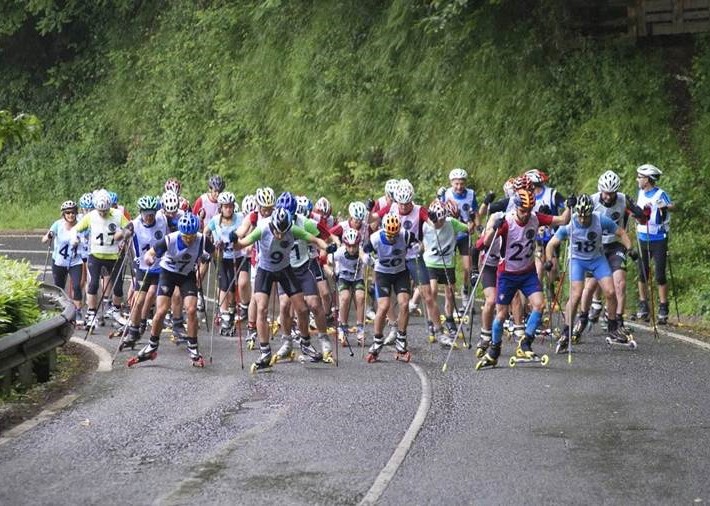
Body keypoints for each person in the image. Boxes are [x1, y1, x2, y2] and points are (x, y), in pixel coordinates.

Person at [475, 189, 572, 369]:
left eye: (529, 209)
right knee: (502, 314)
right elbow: (482, 244)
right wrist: (493, 228)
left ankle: (526, 342)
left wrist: (569, 205)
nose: (526, 214)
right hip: (507, 275)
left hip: (527, 272)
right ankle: (494, 351)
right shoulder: (507, 222)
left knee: (539, 305)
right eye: (523, 210)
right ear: (517, 207)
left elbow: (563, 220)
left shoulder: (535, 218)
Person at [231, 208, 335, 371]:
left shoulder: (292, 229)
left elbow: (315, 240)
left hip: (285, 270)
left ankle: (305, 343)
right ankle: (265, 351)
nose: (279, 236)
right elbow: (241, 245)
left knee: (301, 309)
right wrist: (234, 240)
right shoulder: (263, 228)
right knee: (262, 309)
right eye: (277, 232)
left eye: (283, 232)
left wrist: (328, 248)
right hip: (265, 270)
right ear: (272, 224)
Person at [545, 194, 637, 352]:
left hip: (596, 259)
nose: (583, 219)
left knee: (610, 291)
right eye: (580, 216)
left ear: (591, 213)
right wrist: (549, 259)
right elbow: (551, 244)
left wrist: (629, 248)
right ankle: (567, 331)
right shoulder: (571, 225)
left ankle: (613, 326)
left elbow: (621, 232)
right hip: (577, 261)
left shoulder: (600, 219)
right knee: (576, 295)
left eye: (586, 216)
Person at [128, 212, 213, 367]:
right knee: (161, 311)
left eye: (192, 236)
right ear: (181, 232)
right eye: (186, 236)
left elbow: (213, 253)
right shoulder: (170, 239)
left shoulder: (202, 240)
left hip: (187, 275)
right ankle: (152, 345)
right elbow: (150, 253)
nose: (189, 240)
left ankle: (193, 348)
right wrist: (149, 258)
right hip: (168, 273)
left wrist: (208, 256)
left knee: (192, 309)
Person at [578, 170, 646, 333]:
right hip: (597, 246)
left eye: (612, 193)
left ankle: (617, 321)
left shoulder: (623, 199)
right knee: (590, 286)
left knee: (620, 284)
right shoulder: (593, 200)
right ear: (601, 190)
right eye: (606, 193)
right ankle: (582, 318)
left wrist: (639, 214)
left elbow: (641, 218)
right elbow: (579, 219)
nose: (608, 197)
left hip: (616, 245)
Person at [69, 189, 130, 329]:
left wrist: (122, 235)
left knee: (118, 286)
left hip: (115, 255)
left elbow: (130, 227)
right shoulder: (91, 216)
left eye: (105, 211)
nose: (102, 214)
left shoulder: (117, 214)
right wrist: (74, 239)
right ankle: (91, 314)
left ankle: (115, 310)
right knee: (93, 284)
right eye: (100, 211)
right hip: (95, 255)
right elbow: (75, 229)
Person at [363, 213, 419, 363]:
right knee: (383, 306)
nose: (393, 238)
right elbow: (364, 250)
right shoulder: (375, 238)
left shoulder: (405, 235)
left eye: (395, 235)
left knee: (405, 304)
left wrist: (417, 247)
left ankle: (401, 340)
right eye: (390, 235)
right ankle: (377, 341)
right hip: (383, 274)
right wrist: (366, 258)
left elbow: (417, 242)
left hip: (401, 273)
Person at [118, 195, 168, 350]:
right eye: (146, 213)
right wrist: (124, 235)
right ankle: (133, 330)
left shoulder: (162, 220)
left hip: (159, 266)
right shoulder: (135, 224)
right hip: (142, 267)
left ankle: (144, 321)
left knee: (152, 293)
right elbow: (120, 235)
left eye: (152, 213)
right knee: (138, 300)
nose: (149, 217)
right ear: (140, 212)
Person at [422, 200, 469, 347]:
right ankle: (431, 322)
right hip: (430, 262)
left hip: (447, 263)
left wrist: (471, 222)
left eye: (443, 219)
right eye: (438, 219)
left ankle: (450, 320)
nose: (440, 222)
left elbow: (468, 229)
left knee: (450, 294)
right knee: (433, 291)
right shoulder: (426, 225)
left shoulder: (451, 222)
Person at [205, 191, 250, 336]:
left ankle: (244, 306)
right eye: (226, 207)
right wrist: (210, 245)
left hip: (239, 255)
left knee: (241, 283)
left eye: (230, 206)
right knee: (225, 285)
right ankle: (225, 315)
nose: (229, 209)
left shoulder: (240, 218)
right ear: (221, 207)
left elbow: (249, 228)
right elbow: (205, 232)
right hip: (222, 257)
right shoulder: (215, 220)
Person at [634, 164, 674, 324]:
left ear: (648, 179)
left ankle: (663, 306)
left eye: (640, 177)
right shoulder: (640, 193)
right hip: (642, 237)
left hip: (658, 238)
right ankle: (643, 304)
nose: (638, 180)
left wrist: (665, 206)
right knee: (642, 272)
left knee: (659, 274)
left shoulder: (660, 194)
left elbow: (672, 205)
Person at [42, 201, 84, 324]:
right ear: (63, 214)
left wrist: (79, 241)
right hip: (59, 262)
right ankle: (60, 312)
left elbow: (87, 240)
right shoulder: (57, 225)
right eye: (68, 213)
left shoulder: (81, 225)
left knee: (76, 286)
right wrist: (49, 236)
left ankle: (78, 312)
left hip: (75, 261)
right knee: (59, 288)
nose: (71, 215)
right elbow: (44, 240)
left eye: (73, 212)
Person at [192, 175, 226, 312]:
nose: (217, 194)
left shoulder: (222, 202)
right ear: (210, 189)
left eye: (219, 191)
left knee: (220, 271)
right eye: (215, 191)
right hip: (204, 239)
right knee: (202, 268)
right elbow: (193, 219)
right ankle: (196, 294)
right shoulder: (202, 200)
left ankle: (222, 300)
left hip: (217, 240)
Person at [333, 228, 369, 346]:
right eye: (349, 246)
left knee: (360, 297)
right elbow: (327, 260)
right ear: (345, 244)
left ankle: (360, 329)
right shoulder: (340, 252)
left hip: (357, 278)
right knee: (345, 298)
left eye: (355, 246)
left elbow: (368, 259)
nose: (352, 249)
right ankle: (342, 327)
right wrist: (332, 269)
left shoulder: (360, 251)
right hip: (344, 277)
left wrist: (367, 259)